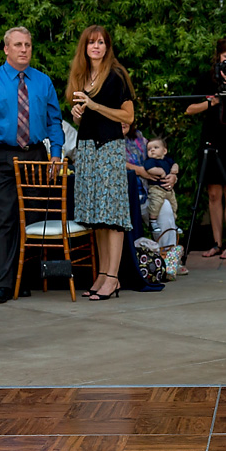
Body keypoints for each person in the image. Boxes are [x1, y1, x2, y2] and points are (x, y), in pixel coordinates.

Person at [0, 26, 64, 305]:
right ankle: (3, 284)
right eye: (18, 45)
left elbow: (54, 120)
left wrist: (55, 153)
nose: (24, 49)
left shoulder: (43, 81)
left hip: (35, 157)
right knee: (6, 219)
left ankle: (21, 279)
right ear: (6, 49)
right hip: (2, 157)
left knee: (29, 221)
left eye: (28, 45)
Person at [66, 25, 135, 302]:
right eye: (91, 42)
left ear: (107, 46)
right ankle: (103, 274)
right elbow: (83, 119)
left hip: (109, 149)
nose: (96, 47)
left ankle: (113, 277)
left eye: (101, 42)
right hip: (86, 150)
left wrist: (94, 106)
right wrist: (78, 115)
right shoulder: (82, 75)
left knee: (113, 216)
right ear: (84, 47)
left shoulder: (116, 74)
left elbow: (127, 117)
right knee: (97, 216)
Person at [185, 37, 226, 260]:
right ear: (218, 57)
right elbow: (189, 108)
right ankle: (216, 242)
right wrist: (210, 102)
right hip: (212, 138)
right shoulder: (207, 77)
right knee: (213, 194)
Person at [143, 137, 179, 236]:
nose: (152, 150)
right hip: (156, 188)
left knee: (173, 205)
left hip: (168, 189)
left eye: (155, 147)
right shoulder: (151, 161)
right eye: (149, 149)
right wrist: (161, 172)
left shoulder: (167, 160)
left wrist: (175, 170)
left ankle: (173, 224)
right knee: (156, 204)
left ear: (164, 151)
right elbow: (149, 169)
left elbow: (175, 164)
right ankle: (153, 222)